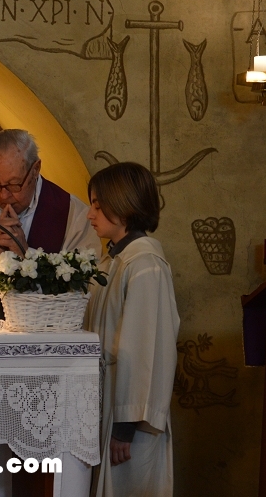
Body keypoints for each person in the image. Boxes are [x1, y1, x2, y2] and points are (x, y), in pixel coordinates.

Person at [84, 162, 180, 497]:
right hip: (107, 402)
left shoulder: (144, 264)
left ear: (123, 206)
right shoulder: (113, 261)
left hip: (129, 419)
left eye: (98, 206)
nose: (90, 214)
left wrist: (125, 428)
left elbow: (144, 350)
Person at [0, 129, 100, 317]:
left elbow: (84, 290)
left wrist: (25, 255)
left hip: (48, 338)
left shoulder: (74, 214)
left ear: (36, 169)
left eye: (14, 184)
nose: (4, 196)